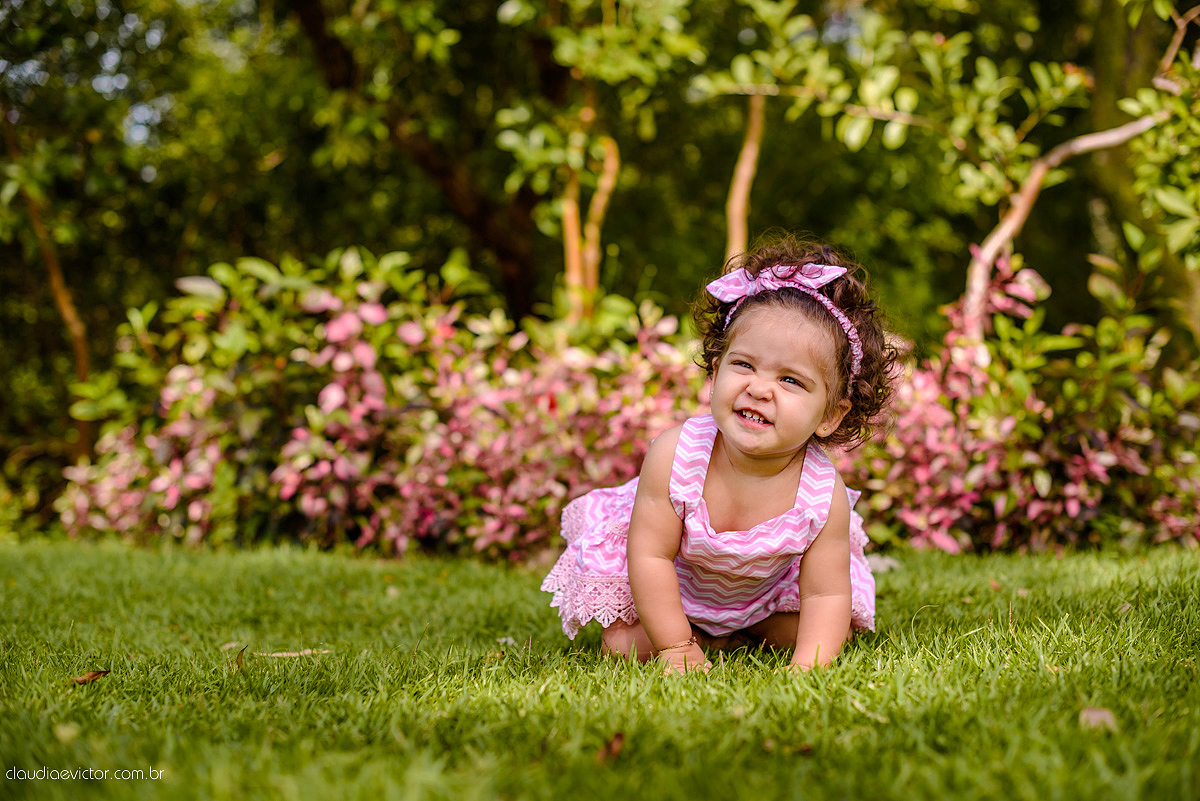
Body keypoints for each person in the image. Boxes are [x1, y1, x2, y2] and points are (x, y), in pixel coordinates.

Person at [541, 236, 897, 674]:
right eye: (744, 365)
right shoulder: (676, 456)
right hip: (676, 588)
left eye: (791, 381)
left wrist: (808, 668)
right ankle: (694, 633)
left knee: (830, 632)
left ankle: (735, 632)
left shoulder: (824, 495)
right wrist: (673, 646)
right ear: (715, 370)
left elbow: (825, 594)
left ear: (830, 415)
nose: (759, 388)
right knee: (621, 645)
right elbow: (649, 555)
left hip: (764, 598)